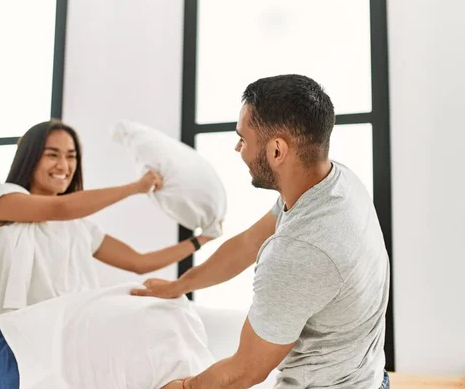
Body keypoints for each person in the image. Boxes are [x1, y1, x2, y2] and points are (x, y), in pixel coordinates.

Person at [131, 74, 391, 389]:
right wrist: (180, 285)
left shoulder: (300, 251)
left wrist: (184, 387)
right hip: (369, 379)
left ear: (277, 151)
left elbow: (245, 371)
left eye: (244, 138)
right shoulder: (333, 182)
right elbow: (248, 243)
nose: (238, 147)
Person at [0, 119, 213, 389]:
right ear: (29, 156)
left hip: (74, 341)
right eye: (52, 154)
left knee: (170, 311)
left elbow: (139, 262)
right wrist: (136, 187)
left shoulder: (79, 227)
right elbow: (59, 209)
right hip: (27, 339)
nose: (64, 166)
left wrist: (199, 240)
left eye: (71, 156)